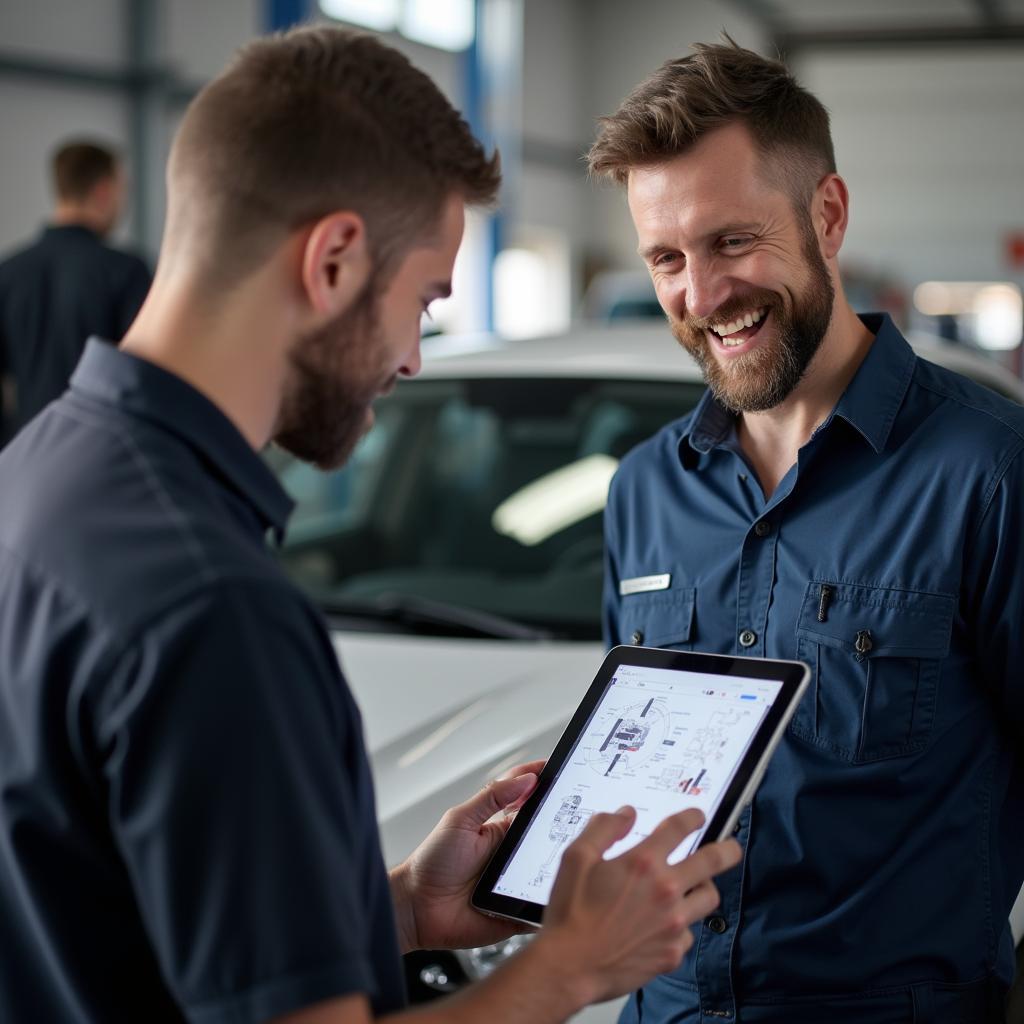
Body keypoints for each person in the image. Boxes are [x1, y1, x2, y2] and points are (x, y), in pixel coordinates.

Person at [0, 27, 741, 1024]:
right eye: (425, 304)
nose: (411, 362)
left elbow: (113, 920)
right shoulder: (216, 608)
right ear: (337, 258)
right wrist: (564, 969)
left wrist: (394, 910)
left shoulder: (38, 472)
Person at [590, 40, 1024, 1023]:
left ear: (826, 215)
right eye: (666, 257)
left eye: (731, 242)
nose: (700, 297)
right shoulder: (643, 491)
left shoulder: (988, 474)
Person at [0, 139, 152, 440]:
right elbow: (144, 375)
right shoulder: (125, 271)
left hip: (23, 453)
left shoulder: (8, 272)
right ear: (104, 191)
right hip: (102, 453)